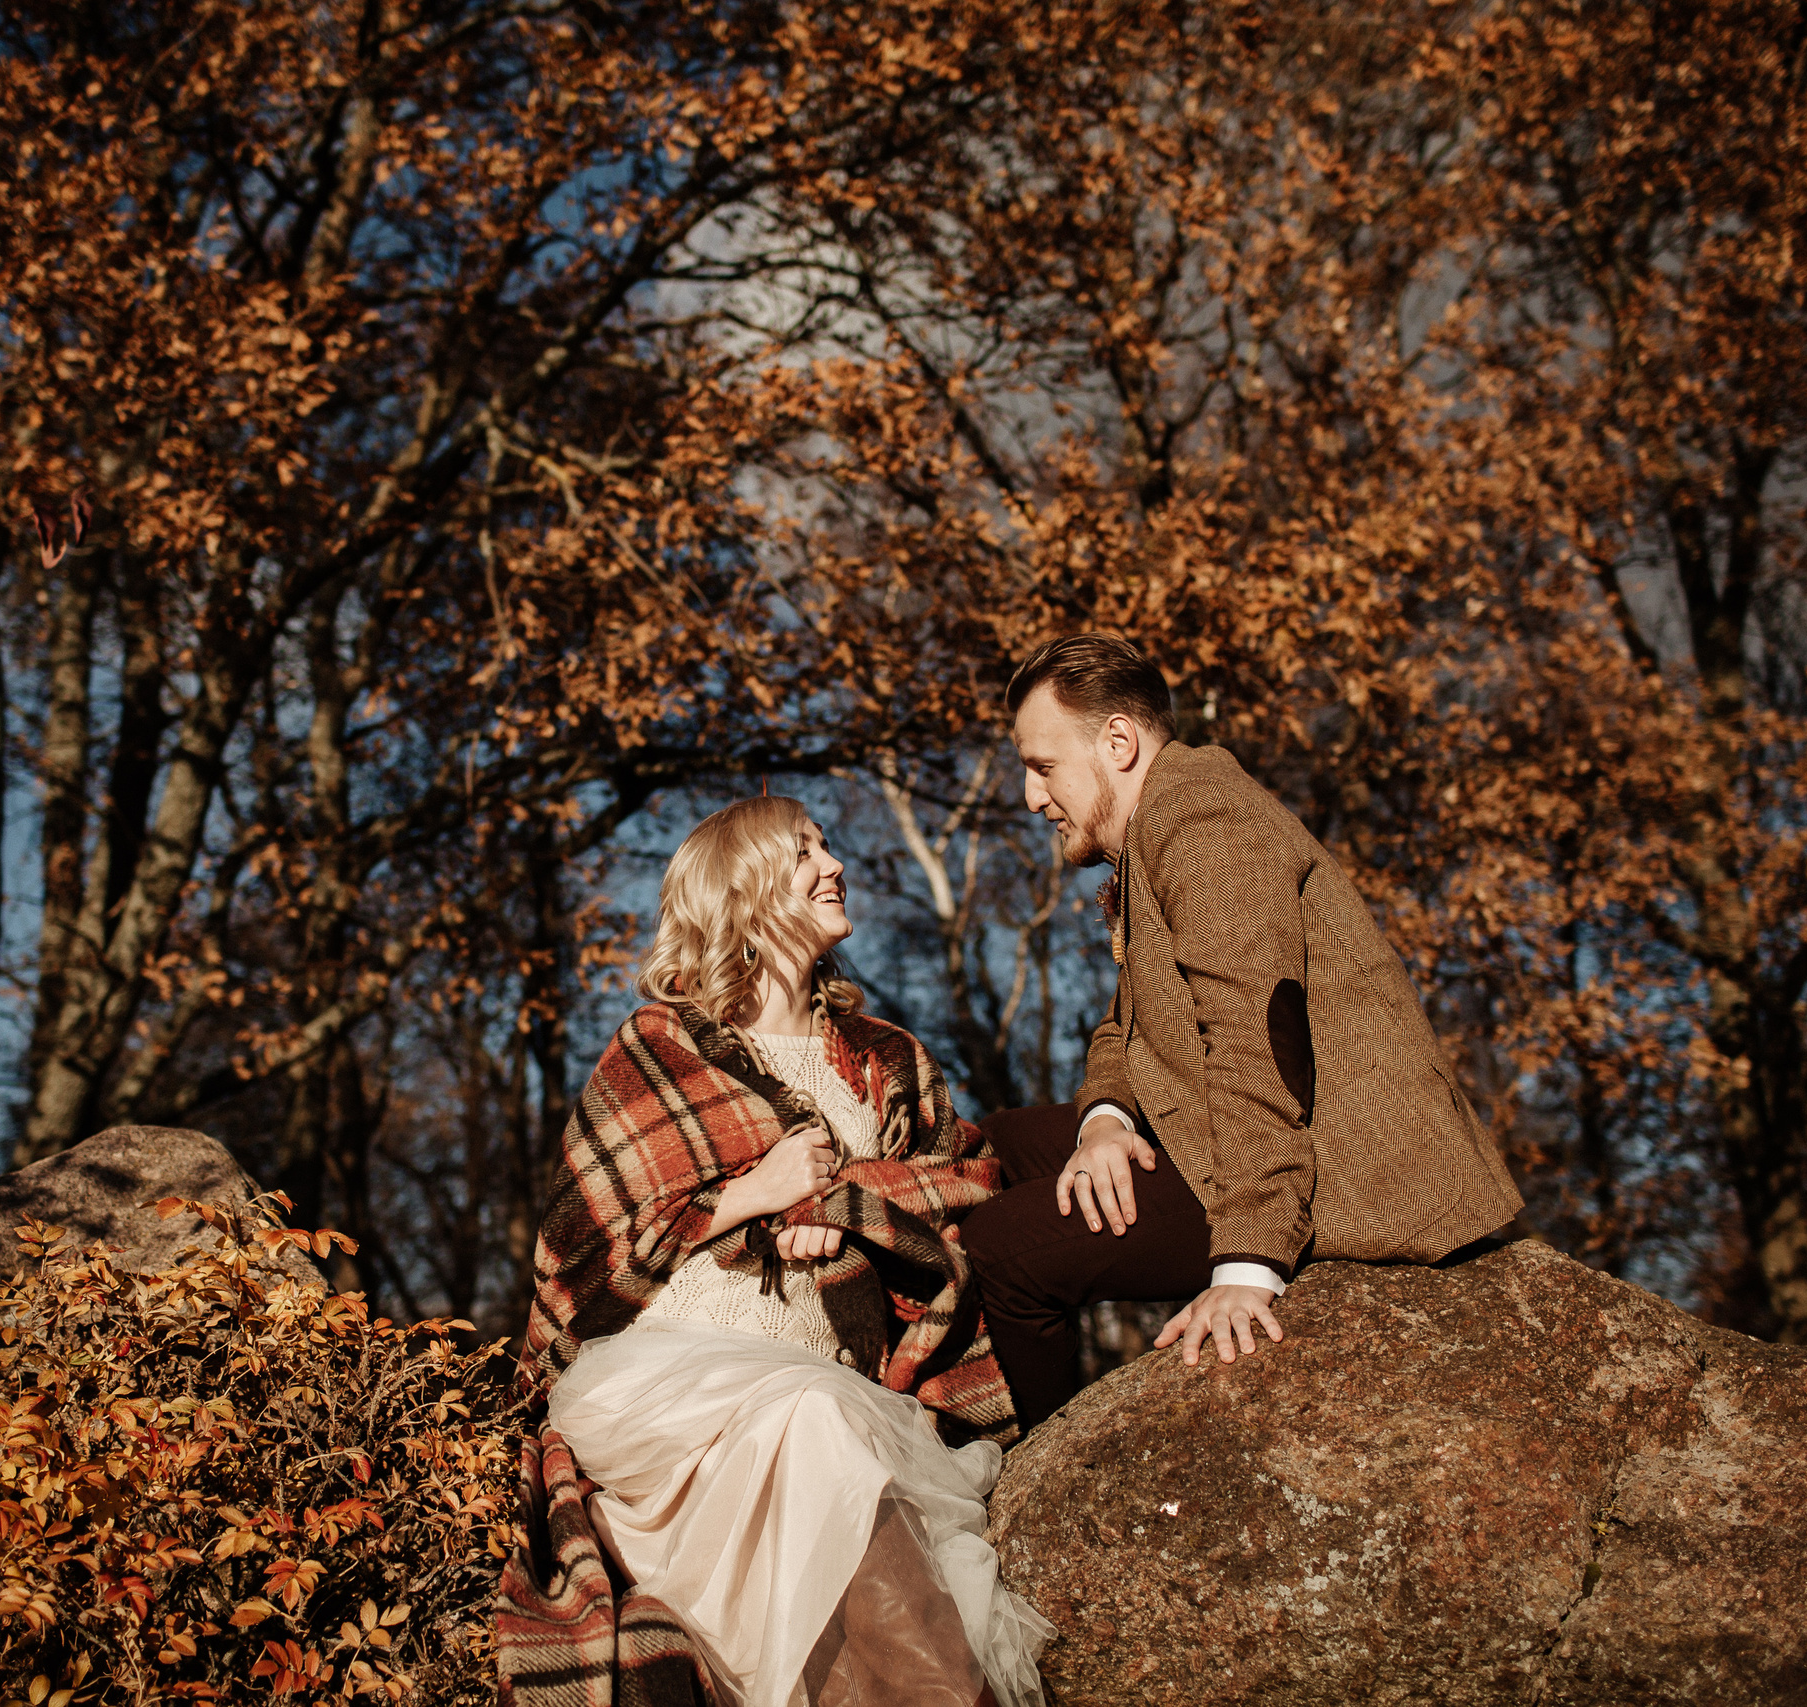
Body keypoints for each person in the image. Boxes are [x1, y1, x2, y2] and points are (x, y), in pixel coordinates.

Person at [495, 797, 1052, 1707]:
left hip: (832, 1384)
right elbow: (580, 1249)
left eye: (827, 845)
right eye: (804, 852)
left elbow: (970, 1177)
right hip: (672, 1401)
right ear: (743, 891)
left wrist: (848, 1202)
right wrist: (753, 1193)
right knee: (816, 1430)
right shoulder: (661, 1042)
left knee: (832, 1529)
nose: (834, 864)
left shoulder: (887, 1059)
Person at [961, 635, 1526, 1431]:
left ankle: (1034, 1472)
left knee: (1002, 1248)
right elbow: (1125, 1023)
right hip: (1206, 1129)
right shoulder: (1156, 830)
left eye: (1043, 766)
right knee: (993, 1147)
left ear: (1117, 743)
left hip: (1327, 1164)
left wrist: (1248, 1261)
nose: (1029, 796)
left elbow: (1259, 1038)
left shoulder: (1203, 817)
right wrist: (1105, 1124)